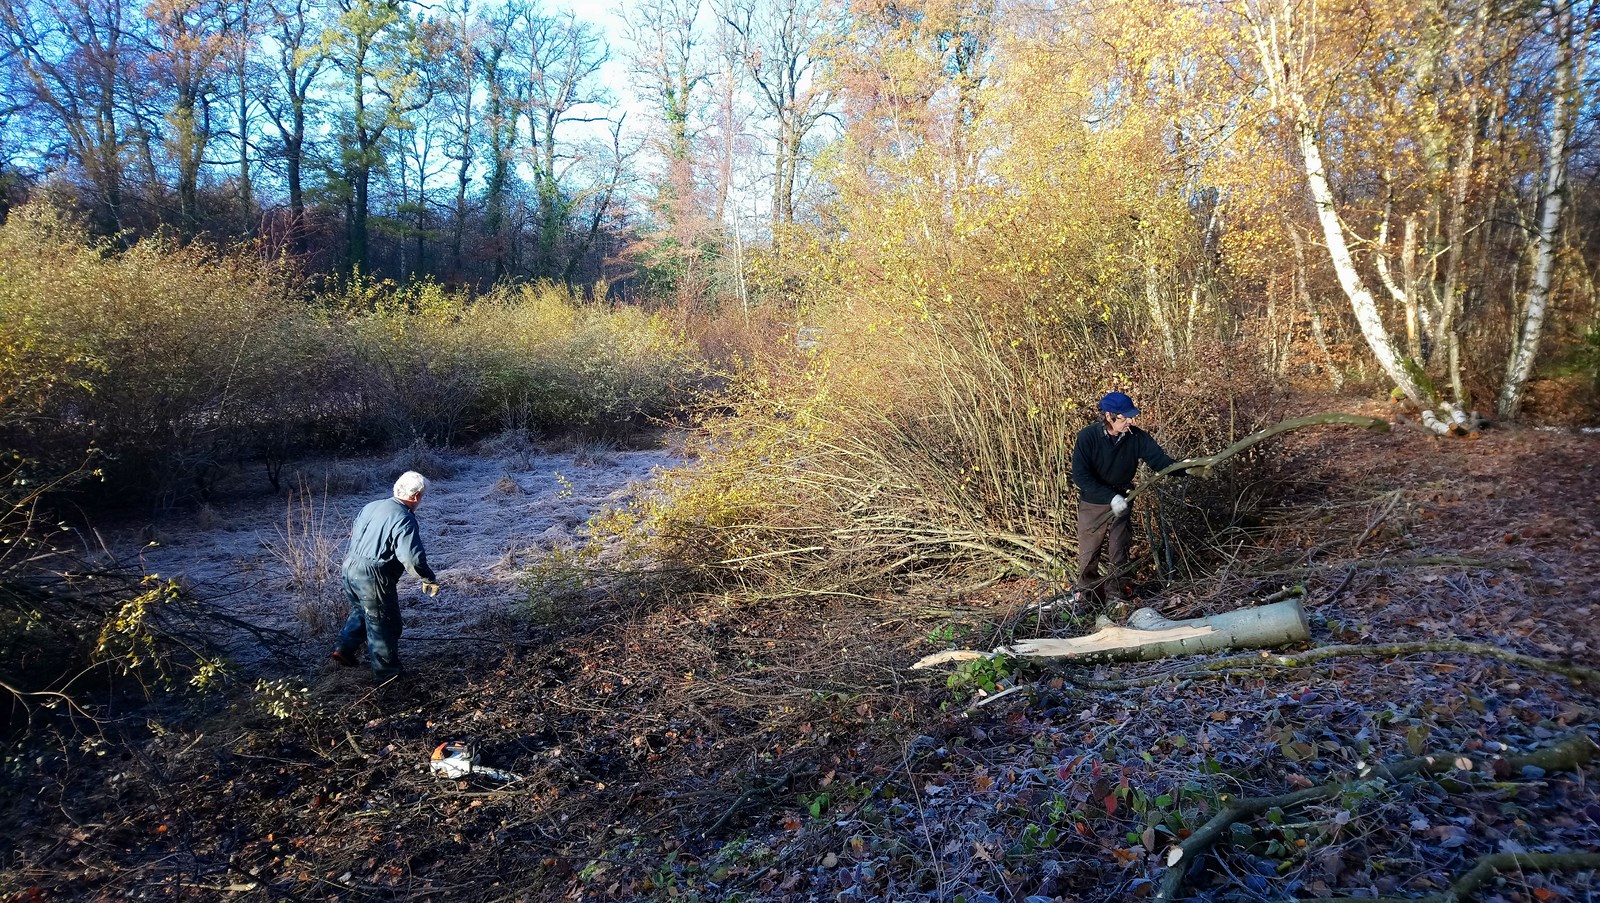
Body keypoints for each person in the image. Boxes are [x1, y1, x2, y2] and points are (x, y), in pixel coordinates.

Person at [1070, 392, 1181, 612]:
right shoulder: (1088, 437)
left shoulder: (1136, 437)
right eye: (1124, 418)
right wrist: (1109, 497)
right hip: (1093, 502)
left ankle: (1116, 596)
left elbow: (1161, 462)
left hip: (1124, 497)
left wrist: (1186, 468)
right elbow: (1080, 477)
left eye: (1131, 417)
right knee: (1089, 552)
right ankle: (1088, 598)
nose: (1130, 421)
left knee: (1119, 549)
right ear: (1109, 416)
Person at [330, 471, 440, 682]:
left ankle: (343, 649)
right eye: (422, 496)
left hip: (349, 567)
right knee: (384, 622)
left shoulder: (371, 506)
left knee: (362, 611)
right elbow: (412, 557)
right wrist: (427, 578)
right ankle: (388, 676)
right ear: (416, 496)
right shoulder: (404, 518)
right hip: (373, 576)